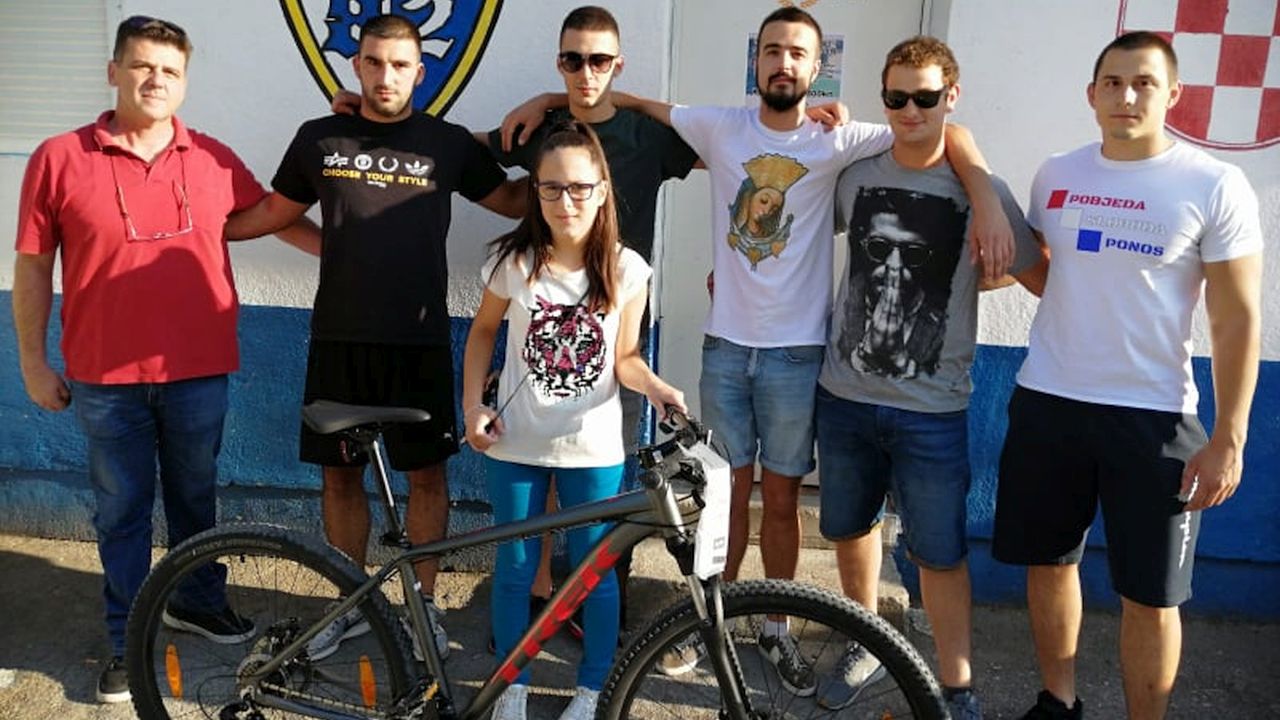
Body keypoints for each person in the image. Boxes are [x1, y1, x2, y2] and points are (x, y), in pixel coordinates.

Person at [501, 6, 1016, 692]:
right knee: (720, 500)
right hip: (724, 349)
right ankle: (709, 624)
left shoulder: (842, 138)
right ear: (757, 60)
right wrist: (548, 97)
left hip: (797, 355)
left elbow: (946, 131)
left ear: (816, 66)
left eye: (797, 52)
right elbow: (627, 102)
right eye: (772, 50)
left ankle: (775, 628)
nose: (783, 62)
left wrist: (984, 194)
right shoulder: (720, 127)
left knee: (780, 501)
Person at [12, 16, 318, 704]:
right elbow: (32, 265)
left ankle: (198, 602)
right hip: (104, 378)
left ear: (185, 82)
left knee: (195, 499)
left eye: (170, 70)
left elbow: (270, 215)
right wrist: (32, 362)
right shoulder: (59, 157)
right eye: (143, 65)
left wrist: (349, 254)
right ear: (114, 71)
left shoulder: (210, 157)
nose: (156, 79)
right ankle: (127, 639)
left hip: (198, 369)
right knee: (121, 511)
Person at [224, 13, 525, 661]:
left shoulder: (447, 143)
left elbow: (515, 202)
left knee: (427, 479)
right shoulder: (319, 138)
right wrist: (197, 226)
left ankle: (423, 608)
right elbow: (273, 212)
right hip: (340, 340)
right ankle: (350, 604)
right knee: (340, 480)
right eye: (374, 62)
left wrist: (585, 152)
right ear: (357, 66)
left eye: (400, 65)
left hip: (418, 341)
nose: (386, 76)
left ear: (420, 71)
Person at [991, 31, 1262, 720]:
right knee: (1050, 564)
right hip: (1049, 400)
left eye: (1144, 82)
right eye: (1112, 82)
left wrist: (1229, 437)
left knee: (1152, 594)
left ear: (1173, 94)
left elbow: (1236, 319)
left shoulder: (1213, 183)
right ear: (1092, 95)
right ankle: (1058, 702)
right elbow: (1048, 275)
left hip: (1154, 415)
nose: (1127, 96)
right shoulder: (1057, 174)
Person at [814, 36, 1048, 718]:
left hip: (933, 409)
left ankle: (957, 688)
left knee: (940, 555)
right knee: (850, 530)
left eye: (925, 96)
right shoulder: (855, 176)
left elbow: (1041, 278)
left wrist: (980, 267)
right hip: (845, 396)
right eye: (897, 97)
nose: (910, 110)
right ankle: (866, 641)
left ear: (952, 96)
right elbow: (795, 233)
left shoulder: (981, 192)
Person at [461, 120, 686, 720]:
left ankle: (592, 691)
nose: (566, 201)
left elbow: (626, 358)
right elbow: (481, 333)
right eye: (552, 187)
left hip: (593, 448)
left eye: (580, 187)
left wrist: (657, 387)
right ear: (535, 191)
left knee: (594, 576)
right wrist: (473, 406)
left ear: (602, 190)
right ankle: (511, 686)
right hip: (516, 444)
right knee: (514, 571)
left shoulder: (627, 268)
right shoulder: (513, 261)